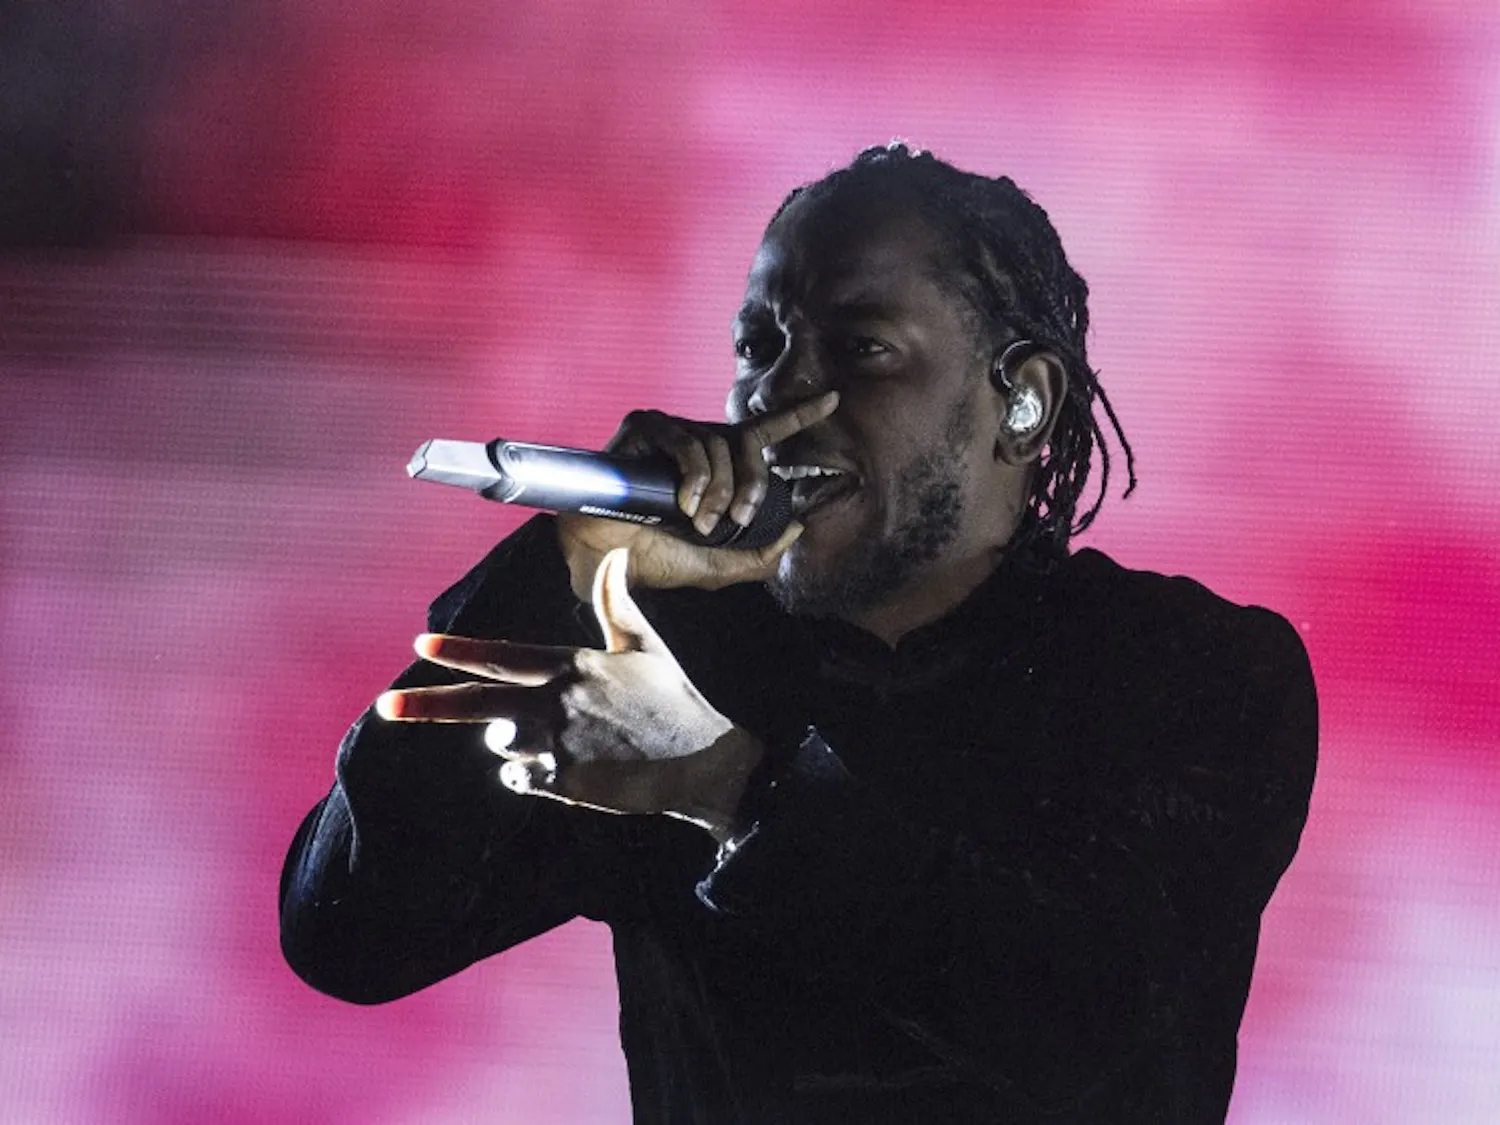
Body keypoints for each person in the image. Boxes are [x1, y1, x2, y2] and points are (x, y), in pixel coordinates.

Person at [279, 144, 1317, 1124]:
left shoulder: (1199, 669)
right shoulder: (669, 651)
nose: (777, 390)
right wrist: (565, 561)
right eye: (760, 347)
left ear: (1024, 402)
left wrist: (727, 784)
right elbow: (350, 937)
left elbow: (1071, 1017)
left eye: (861, 349)